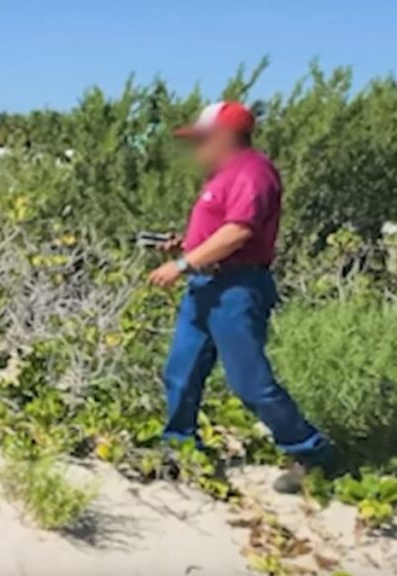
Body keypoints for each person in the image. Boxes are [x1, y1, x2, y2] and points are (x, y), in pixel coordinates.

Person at [147, 101, 334, 494]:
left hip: (236, 288)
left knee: (249, 381)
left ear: (225, 137)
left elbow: (238, 232)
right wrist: (186, 247)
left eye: (201, 139)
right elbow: (219, 234)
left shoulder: (253, 172)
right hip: (206, 287)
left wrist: (182, 264)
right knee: (181, 370)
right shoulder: (223, 176)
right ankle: (178, 446)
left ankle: (310, 451)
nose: (196, 148)